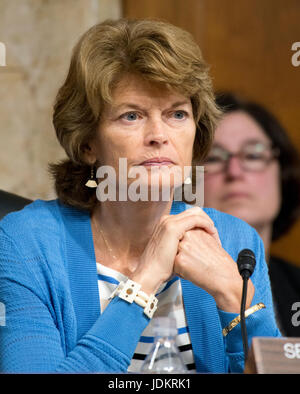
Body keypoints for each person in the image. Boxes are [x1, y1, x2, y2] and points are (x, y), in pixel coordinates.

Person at [0, 19, 280, 374]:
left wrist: (233, 295)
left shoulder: (235, 242)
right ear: (88, 143)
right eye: (131, 116)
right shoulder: (28, 244)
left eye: (177, 114)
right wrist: (143, 282)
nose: (159, 135)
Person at [203, 92, 300, 336]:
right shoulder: (166, 291)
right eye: (214, 157)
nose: (234, 171)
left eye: (253, 155)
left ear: (283, 174)